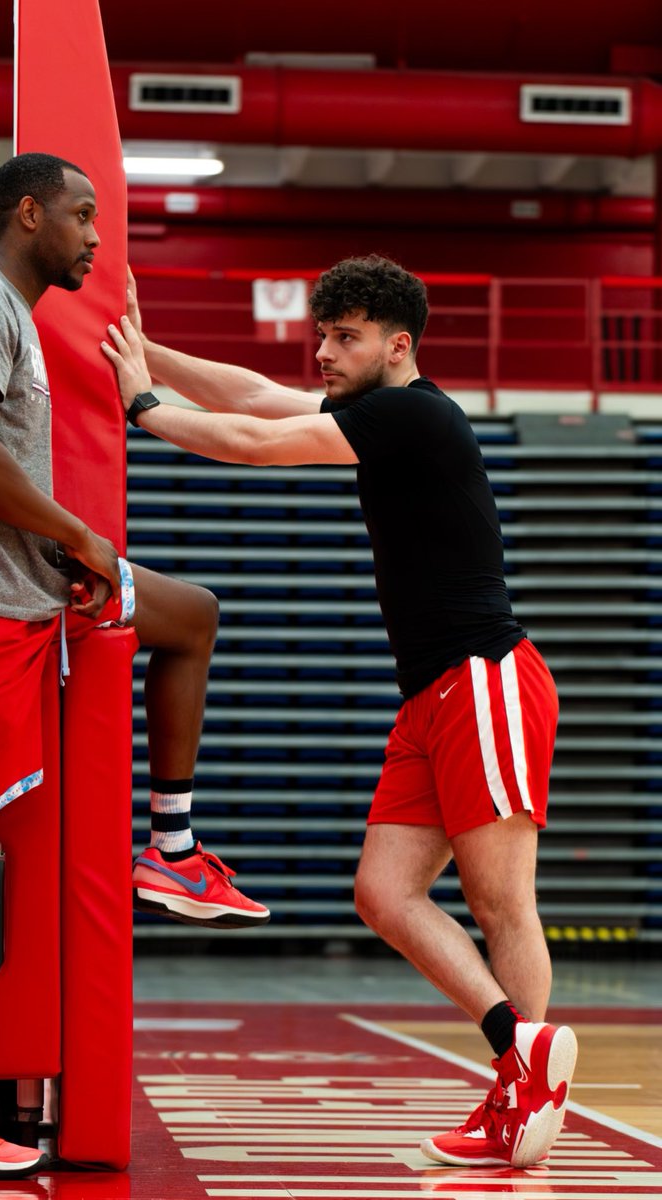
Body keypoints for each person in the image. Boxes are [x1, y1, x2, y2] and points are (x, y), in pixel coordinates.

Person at [100, 254, 578, 1170]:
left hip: (483, 680)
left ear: (398, 347)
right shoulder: (379, 410)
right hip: (432, 695)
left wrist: (141, 404)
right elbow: (254, 390)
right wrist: (147, 351)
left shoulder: (413, 415)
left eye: (344, 337)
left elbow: (252, 441)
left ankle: (522, 1088)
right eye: (321, 333)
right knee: (382, 893)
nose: (322, 351)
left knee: (500, 900)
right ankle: (521, 1053)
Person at [0, 153, 268, 1182]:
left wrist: (62, 556)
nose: (98, 237)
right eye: (86, 216)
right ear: (29, 213)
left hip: (12, 598)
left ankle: (171, 846)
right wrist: (82, 541)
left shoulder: (10, 315)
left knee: (191, 614)